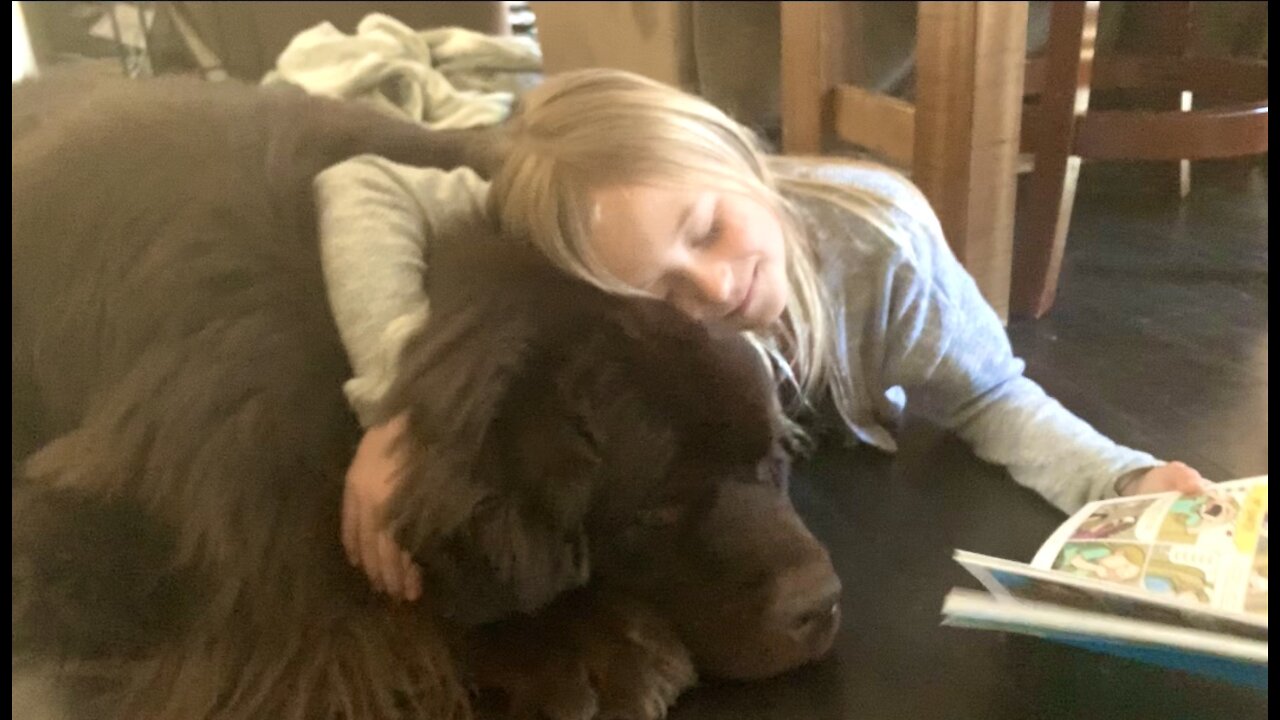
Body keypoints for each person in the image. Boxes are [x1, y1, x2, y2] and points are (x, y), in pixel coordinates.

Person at [315, 69, 1208, 602]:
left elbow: (988, 395)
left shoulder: (884, 244)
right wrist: (402, 400)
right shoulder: (556, 224)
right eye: (662, 292)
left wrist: (1119, 477)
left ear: (734, 157)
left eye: (707, 230)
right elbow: (361, 183)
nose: (713, 286)